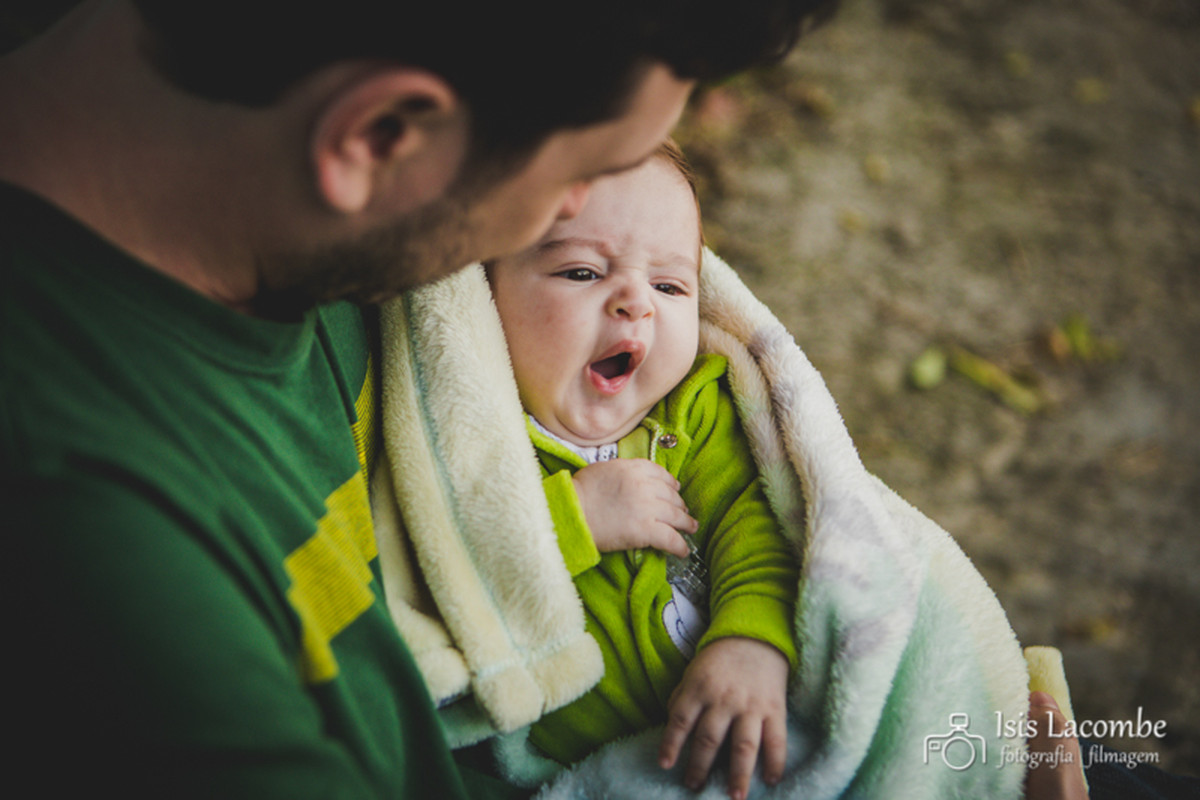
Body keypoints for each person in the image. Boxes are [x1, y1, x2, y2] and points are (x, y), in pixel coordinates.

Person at [0, 1, 828, 796]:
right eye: (578, 175)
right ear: (379, 135)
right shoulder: (109, 555)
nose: (582, 216)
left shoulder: (281, 188)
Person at [485, 141, 797, 800]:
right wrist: (570, 518)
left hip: (737, 736)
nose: (637, 303)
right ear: (484, 290)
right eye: (581, 272)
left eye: (670, 285)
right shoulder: (477, 438)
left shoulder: (697, 412)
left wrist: (751, 641)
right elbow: (444, 566)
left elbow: (756, 522)